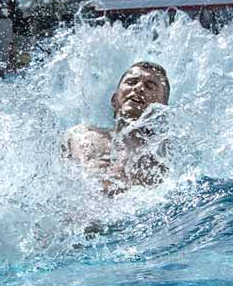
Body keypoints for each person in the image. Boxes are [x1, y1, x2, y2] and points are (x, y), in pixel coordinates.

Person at [65, 61, 171, 195]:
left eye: (149, 86)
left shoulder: (157, 167)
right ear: (114, 99)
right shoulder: (78, 136)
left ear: (161, 109)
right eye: (131, 82)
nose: (138, 88)